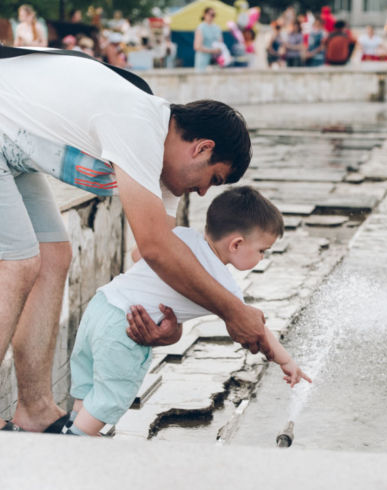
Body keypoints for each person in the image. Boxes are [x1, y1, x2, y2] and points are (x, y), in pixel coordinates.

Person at [0, 49, 269, 433]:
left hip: (11, 145)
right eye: (215, 178)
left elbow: (149, 256)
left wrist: (168, 326)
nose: (206, 193)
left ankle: (35, 410)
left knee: (52, 256)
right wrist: (232, 311)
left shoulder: (163, 171)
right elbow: (158, 248)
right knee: (18, 261)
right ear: (202, 148)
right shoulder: (138, 122)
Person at [66, 186, 311, 436]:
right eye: (262, 250)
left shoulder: (180, 235)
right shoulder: (223, 284)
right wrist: (286, 361)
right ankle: (75, 442)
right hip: (124, 326)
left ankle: (72, 425)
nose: (261, 257)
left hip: (100, 305)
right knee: (111, 394)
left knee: (88, 386)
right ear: (236, 244)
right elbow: (256, 329)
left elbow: (138, 254)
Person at [194, 7, 222, 71]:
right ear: (204, 14)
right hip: (203, 61)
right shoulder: (200, 28)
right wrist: (212, 50)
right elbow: (197, 46)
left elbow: (220, 44)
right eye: (210, 14)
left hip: (215, 61)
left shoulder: (217, 28)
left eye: (213, 15)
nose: (211, 16)